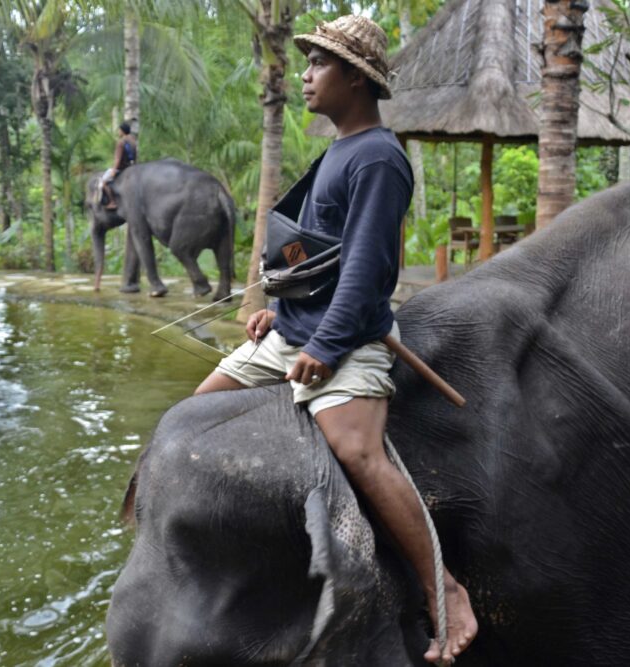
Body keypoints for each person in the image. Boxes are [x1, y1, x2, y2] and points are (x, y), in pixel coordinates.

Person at [193, 15, 477, 665]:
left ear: (355, 77)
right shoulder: (337, 149)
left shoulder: (379, 156)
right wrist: (279, 311)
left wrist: (324, 344)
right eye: (308, 62)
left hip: (348, 339)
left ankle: (445, 591)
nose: (307, 75)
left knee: (357, 449)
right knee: (197, 412)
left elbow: (368, 268)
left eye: (320, 64)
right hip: (293, 330)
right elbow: (320, 257)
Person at [98, 122, 137, 210]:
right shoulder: (133, 142)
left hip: (120, 168)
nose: (118, 132)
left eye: (119, 130)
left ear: (122, 131)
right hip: (130, 167)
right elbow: (135, 157)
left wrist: (113, 170)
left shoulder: (120, 143)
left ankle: (112, 202)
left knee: (103, 182)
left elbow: (117, 159)